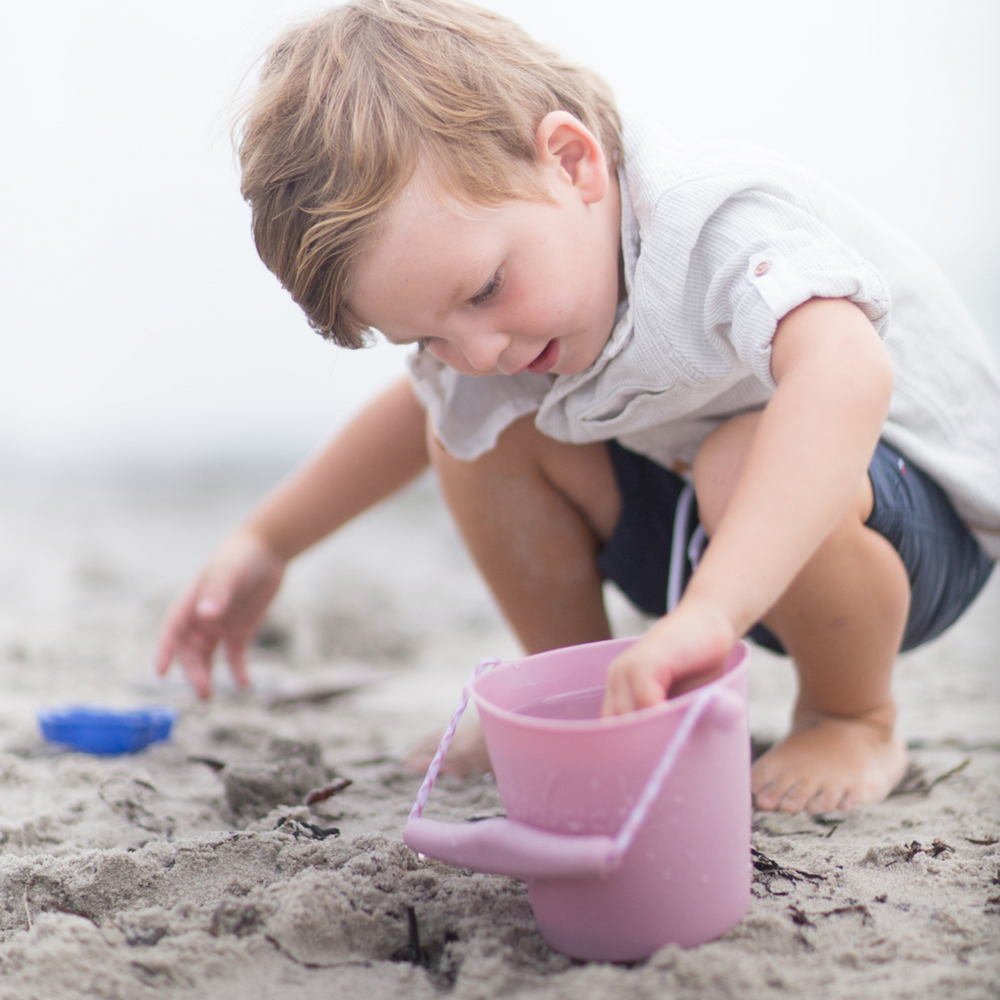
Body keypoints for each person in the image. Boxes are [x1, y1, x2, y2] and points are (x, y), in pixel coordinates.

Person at [156, 0, 1000, 814]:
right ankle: (580, 693)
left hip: (912, 528)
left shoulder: (719, 229)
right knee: (475, 433)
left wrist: (712, 612)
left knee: (739, 457)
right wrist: (268, 542)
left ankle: (851, 715)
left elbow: (846, 374)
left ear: (572, 161)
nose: (480, 350)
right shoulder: (513, 322)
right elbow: (418, 419)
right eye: (427, 336)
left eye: (486, 290)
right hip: (712, 543)